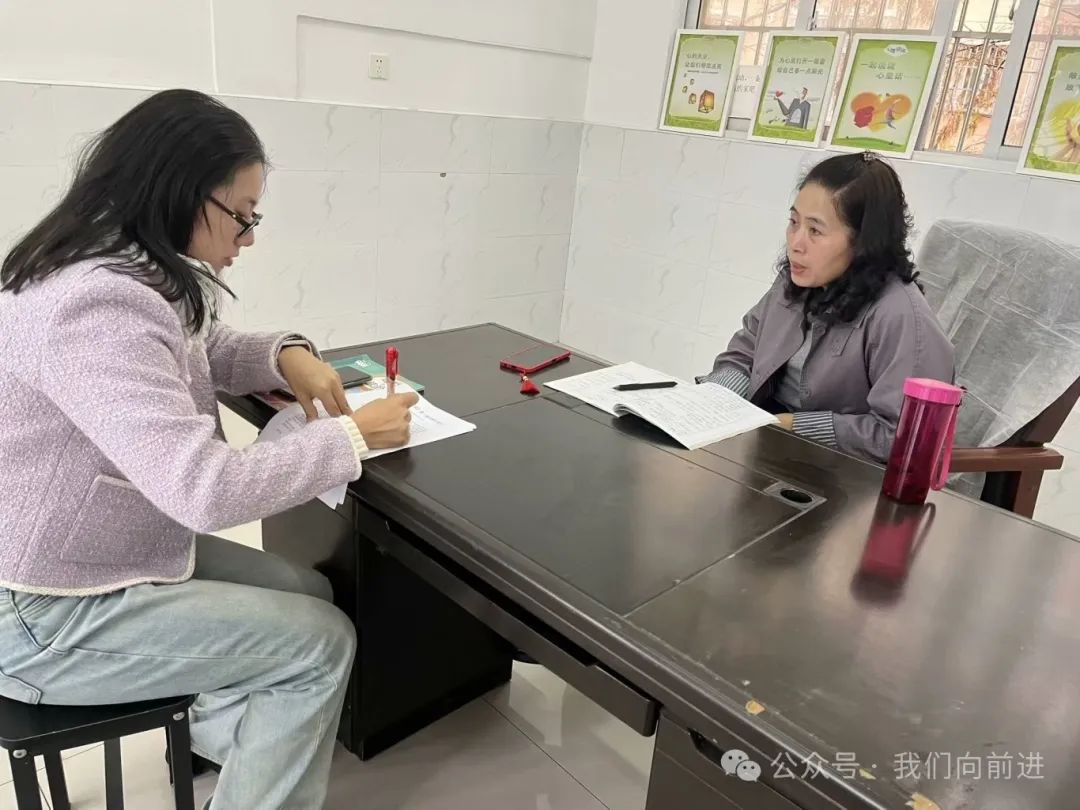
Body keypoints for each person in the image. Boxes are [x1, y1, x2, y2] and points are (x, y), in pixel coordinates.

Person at [0, 89, 417, 809]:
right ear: (184, 193)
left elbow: (196, 347)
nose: (249, 237)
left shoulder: (121, 265)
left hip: (99, 554)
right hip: (42, 612)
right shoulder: (94, 303)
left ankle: (242, 745)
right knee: (319, 642)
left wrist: (284, 354)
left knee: (308, 593)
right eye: (244, 215)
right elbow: (205, 490)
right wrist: (352, 435)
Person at [699, 152, 954, 464]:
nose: (795, 243)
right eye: (794, 223)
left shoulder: (900, 316)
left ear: (863, 241)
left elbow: (904, 437)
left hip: (837, 474)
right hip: (767, 446)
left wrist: (793, 427)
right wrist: (712, 400)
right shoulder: (795, 281)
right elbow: (744, 355)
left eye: (815, 231)